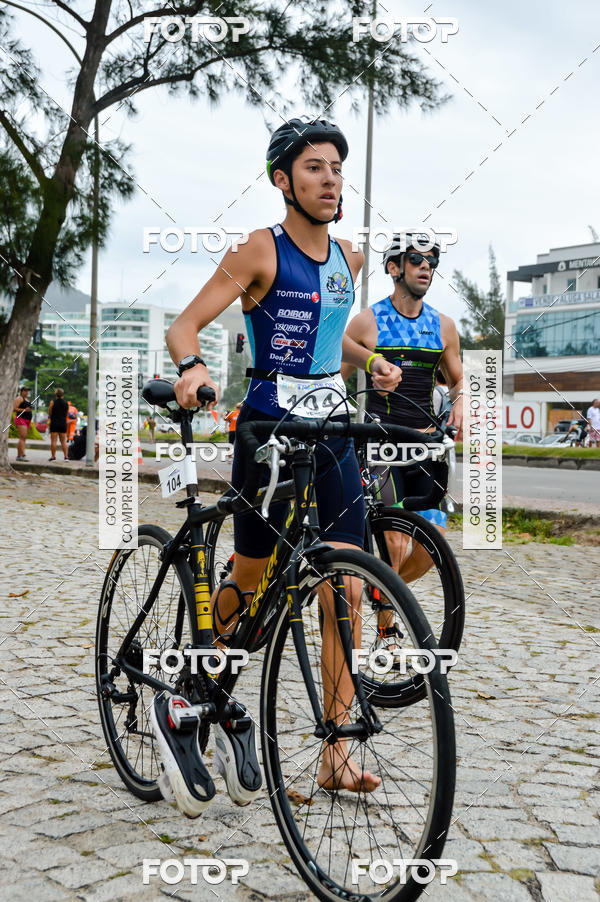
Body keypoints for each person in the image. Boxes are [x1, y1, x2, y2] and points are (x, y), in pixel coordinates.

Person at [163, 117, 401, 812]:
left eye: (337, 169)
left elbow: (331, 333)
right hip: (269, 428)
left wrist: (369, 360)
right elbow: (184, 325)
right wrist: (192, 366)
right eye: (315, 168)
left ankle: (336, 751)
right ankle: (196, 686)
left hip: (332, 427)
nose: (331, 180)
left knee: (345, 584)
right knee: (250, 578)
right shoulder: (258, 250)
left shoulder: (351, 257)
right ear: (282, 180)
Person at [341, 232, 463, 597]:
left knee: (431, 547)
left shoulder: (443, 325)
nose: (426, 267)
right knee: (394, 543)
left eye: (432, 261)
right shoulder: (366, 322)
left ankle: (381, 593)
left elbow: (458, 381)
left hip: (424, 445)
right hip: (381, 446)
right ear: (394, 268)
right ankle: (387, 618)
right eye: (416, 259)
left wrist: (460, 403)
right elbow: (334, 378)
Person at [48, 388, 69, 460]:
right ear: (63, 394)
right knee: (63, 441)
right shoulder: (66, 403)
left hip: (54, 422)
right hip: (63, 423)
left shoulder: (52, 402)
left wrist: (51, 417)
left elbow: (50, 412)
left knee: (54, 441)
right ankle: (66, 456)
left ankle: (53, 456)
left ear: (55, 394)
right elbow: (66, 413)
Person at [13, 386, 32, 461]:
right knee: (23, 437)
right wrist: (24, 410)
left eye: (28, 391)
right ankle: (22, 455)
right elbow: (14, 408)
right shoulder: (19, 398)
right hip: (21, 419)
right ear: (22, 391)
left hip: (27, 420)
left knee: (23, 438)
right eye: (25, 391)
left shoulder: (27, 399)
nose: (27, 392)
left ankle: (19, 455)